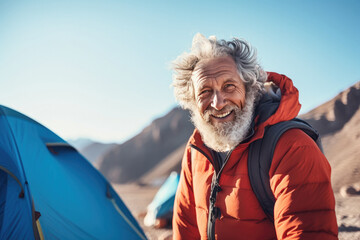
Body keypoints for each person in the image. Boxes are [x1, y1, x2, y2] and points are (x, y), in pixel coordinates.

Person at [171, 33, 338, 240]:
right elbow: (186, 226)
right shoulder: (197, 149)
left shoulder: (292, 147)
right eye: (205, 92)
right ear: (192, 101)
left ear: (249, 88)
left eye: (229, 86)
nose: (218, 102)